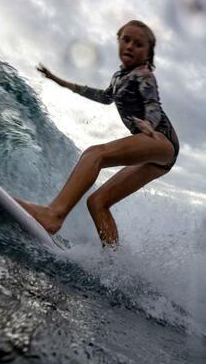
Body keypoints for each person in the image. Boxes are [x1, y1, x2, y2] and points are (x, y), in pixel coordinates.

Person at [16, 20, 179, 246]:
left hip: (161, 140)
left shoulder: (144, 75)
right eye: (126, 40)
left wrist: (149, 124)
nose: (130, 46)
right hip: (157, 156)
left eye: (139, 44)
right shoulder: (118, 76)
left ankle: (54, 214)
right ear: (119, 42)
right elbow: (104, 97)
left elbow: (153, 104)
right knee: (97, 202)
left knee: (94, 154)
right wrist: (60, 81)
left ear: (147, 53)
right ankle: (114, 266)